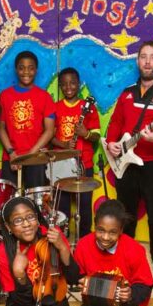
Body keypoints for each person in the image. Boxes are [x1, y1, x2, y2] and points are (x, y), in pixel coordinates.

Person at [104, 40, 153, 275]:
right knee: (125, 209)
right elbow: (116, 121)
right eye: (143, 57)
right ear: (137, 61)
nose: (147, 62)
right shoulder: (127, 92)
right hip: (126, 163)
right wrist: (111, 142)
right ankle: (124, 251)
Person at [51, 67, 101, 237]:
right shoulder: (55, 107)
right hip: (61, 166)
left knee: (84, 208)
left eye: (72, 83)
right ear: (60, 86)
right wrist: (63, 145)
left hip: (84, 165)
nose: (69, 87)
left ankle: (84, 243)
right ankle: (62, 243)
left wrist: (85, 134)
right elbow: (49, 136)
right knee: (61, 209)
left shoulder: (87, 108)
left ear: (79, 85)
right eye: (64, 84)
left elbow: (96, 136)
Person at [0, 51, 55, 189]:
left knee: (35, 202)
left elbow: (49, 130)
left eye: (31, 68)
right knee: (10, 202)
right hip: (11, 157)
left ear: (36, 70)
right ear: (16, 70)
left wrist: (30, 154)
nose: (26, 72)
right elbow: (0, 128)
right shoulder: (5, 95)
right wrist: (12, 154)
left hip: (36, 158)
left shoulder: (45, 97)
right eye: (22, 67)